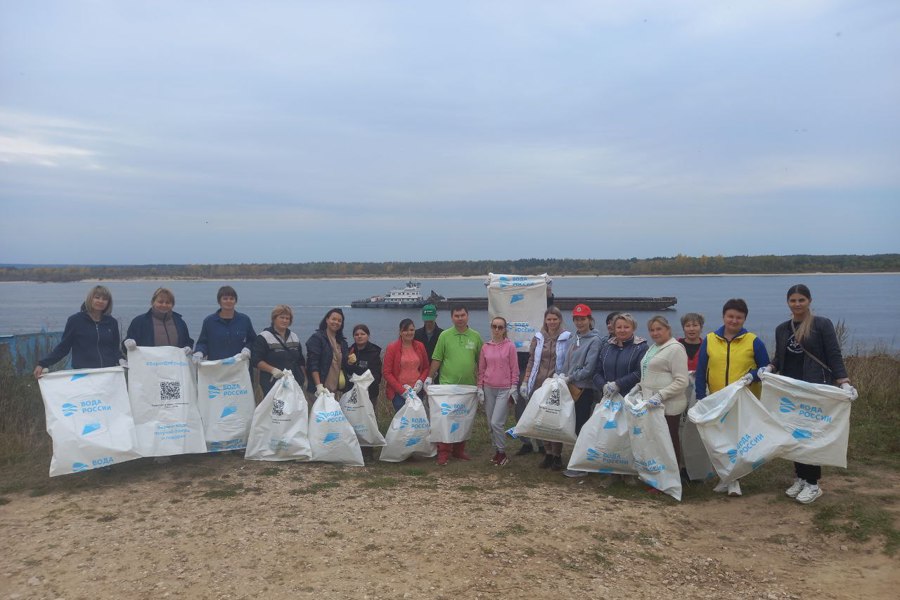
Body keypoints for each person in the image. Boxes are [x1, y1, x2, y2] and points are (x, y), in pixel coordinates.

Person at [759, 284, 857, 504]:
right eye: (793, 300)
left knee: (811, 434)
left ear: (809, 301)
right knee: (794, 433)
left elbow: (833, 354)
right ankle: (801, 477)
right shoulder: (782, 328)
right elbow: (780, 357)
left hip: (814, 387)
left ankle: (813, 484)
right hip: (790, 389)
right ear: (788, 303)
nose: (797, 304)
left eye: (801, 300)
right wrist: (770, 368)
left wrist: (844, 382)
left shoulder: (821, 324)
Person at [695, 298, 770, 497]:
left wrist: (752, 375)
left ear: (744, 319)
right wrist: (701, 396)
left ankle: (733, 479)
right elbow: (701, 370)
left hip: (742, 400)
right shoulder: (710, 339)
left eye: (739, 317)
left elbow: (766, 368)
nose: (734, 321)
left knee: (737, 441)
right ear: (723, 316)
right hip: (716, 399)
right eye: (730, 316)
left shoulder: (753, 341)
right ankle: (726, 477)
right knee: (719, 440)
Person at [427, 304, 483, 465]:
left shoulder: (476, 336)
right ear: (452, 318)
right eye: (457, 316)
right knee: (446, 419)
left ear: (467, 316)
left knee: (463, 418)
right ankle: (444, 452)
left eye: (462, 315)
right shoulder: (445, 335)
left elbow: (481, 362)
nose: (460, 318)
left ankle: (459, 450)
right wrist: (429, 377)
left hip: (468, 387)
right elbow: (437, 358)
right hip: (447, 386)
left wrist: (481, 383)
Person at [637, 316, 690, 477]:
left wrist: (661, 395)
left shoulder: (675, 349)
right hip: (652, 405)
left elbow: (682, 381)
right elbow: (649, 372)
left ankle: (672, 477)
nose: (655, 333)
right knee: (656, 443)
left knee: (669, 442)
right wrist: (639, 387)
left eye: (659, 329)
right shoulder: (653, 347)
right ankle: (658, 476)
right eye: (652, 330)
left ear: (668, 329)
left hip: (669, 406)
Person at [34, 285, 123, 377]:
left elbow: (115, 349)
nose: (100, 301)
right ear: (90, 299)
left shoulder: (112, 322)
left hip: (108, 373)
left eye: (105, 299)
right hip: (83, 374)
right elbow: (63, 348)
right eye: (97, 297)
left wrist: (121, 359)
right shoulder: (75, 321)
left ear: (108, 302)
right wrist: (43, 364)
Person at [518, 307, 571, 458]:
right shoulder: (538, 337)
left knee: (554, 420)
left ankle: (557, 455)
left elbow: (569, 361)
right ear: (545, 320)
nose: (552, 322)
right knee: (541, 420)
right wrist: (525, 381)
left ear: (560, 320)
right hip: (538, 384)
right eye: (549, 319)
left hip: (556, 385)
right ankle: (547, 453)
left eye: (555, 319)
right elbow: (532, 360)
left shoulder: (567, 337)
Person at [559, 304, 604, 475]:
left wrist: (571, 376)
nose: (579, 322)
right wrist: (561, 375)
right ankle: (577, 462)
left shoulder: (595, 340)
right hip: (570, 388)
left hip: (584, 390)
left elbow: (589, 368)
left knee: (581, 427)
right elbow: (567, 362)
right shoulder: (574, 338)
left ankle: (581, 466)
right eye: (576, 319)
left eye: (583, 319)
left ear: (590, 319)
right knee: (573, 426)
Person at [478, 316, 519, 467]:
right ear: (491, 328)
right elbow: (481, 369)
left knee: (497, 423)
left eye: (500, 327)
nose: (497, 330)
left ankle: (502, 452)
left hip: (504, 389)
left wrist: (514, 387)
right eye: (494, 326)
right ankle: (496, 451)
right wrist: (479, 388)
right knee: (490, 423)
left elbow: (514, 369)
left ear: (504, 329)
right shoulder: (485, 347)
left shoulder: (510, 346)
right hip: (488, 388)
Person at [251, 304, 307, 397]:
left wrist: (304, 379)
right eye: (281, 317)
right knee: (278, 410)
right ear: (274, 319)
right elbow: (255, 360)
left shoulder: (294, 337)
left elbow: (300, 360)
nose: (285, 320)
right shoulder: (264, 337)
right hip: (273, 385)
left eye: (287, 318)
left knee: (293, 410)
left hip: (294, 384)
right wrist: (272, 370)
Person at [593, 313, 648, 401]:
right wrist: (603, 386)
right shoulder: (607, 347)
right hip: (607, 397)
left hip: (630, 398)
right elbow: (596, 372)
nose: (622, 330)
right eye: (619, 327)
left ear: (633, 328)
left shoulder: (641, 347)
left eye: (626, 327)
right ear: (614, 329)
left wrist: (618, 384)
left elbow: (639, 372)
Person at [192, 285, 256, 362]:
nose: (228, 301)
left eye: (231, 299)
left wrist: (248, 348)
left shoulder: (245, 320)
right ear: (219, 301)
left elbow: (253, 340)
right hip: (217, 368)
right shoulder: (209, 321)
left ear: (236, 301)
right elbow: (202, 343)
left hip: (240, 367)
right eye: (225, 299)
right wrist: (199, 352)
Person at [124, 287, 193, 352]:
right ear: (153, 302)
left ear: (172, 304)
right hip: (147, 363)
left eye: (168, 302)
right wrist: (128, 344)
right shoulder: (139, 322)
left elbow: (187, 342)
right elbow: (126, 346)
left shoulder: (180, 322)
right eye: (160, 302)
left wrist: (188, 347)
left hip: (176, 363)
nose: (164, 305)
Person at [383, 319, 431, 414]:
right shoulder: (392, 348)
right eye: (405, 330)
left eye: (412, 330)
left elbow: (426, 367)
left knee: (417, 420)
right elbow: (386, 372)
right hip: (399, 394)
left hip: (417, 391)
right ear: (400, 332)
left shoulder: (420, 346)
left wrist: (421, 381)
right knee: (403, 423)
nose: (409, 333)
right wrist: (402, 391)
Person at [306, 308, 349, 397]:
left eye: (339, 321)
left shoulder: (342, 342)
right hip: (319, 390)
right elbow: (313, 363)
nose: (336, 322)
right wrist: (318, 385)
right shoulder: (317, 338)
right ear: (327, 320)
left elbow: (343, 365)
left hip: (335, 390)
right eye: (333, 319)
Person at [346, 324, 383, 405]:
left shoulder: (374, 353)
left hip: (370, 393)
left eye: (363, 334)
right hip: (351, 393)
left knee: (369, 416)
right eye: (356, 334)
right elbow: (345, 372)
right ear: (353, 337)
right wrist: (348, 364)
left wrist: (355, 368)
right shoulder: (349, 352)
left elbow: (377, 376)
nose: (359, 336)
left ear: (368, 335)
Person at [414, 304, 443, 381]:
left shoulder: (443, 334)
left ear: (436, 316)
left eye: (430, 319)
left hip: (439, 375)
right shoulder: (416, 334)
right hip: (419, 374)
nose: (428, 322)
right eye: (426, 320)